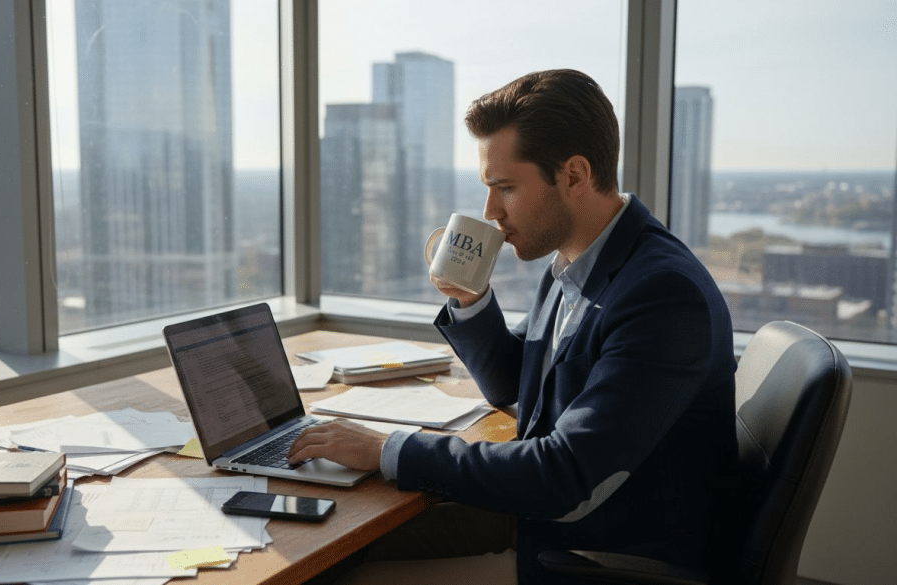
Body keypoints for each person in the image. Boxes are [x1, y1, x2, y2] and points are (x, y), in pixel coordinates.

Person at [289, 69, 737, 584]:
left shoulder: (661, 295)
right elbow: (511, 381)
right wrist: (471, 299)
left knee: (349, 579)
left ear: (573, 175)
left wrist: (386, 448)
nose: (490, 212)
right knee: (339, 548)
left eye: (505, 188)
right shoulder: (576, 263)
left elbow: (562, 476)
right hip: (549, 524)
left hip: (599, 554)